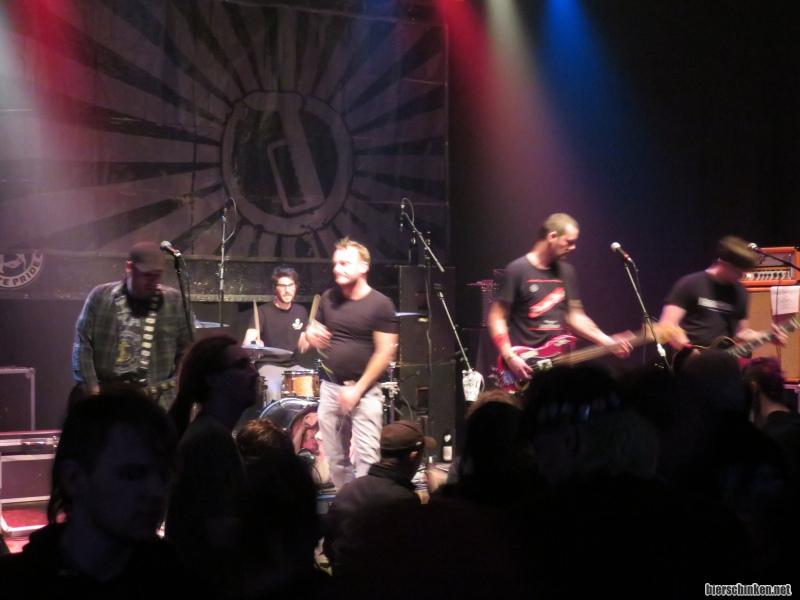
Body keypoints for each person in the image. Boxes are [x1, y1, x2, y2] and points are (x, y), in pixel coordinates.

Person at [0, 386, 195, 598]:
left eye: (164, 475)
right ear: (74, 478)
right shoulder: (17, 583)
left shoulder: (175, 579)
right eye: (132, 474)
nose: (157, 491)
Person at [165, 334, 259, 597]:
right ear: (213, 380)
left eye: (250, 364)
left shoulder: (210, 434)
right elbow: (221, 535)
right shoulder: (211, 441)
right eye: (241, 365)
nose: (253, 373)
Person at [487, 213, 631, 384]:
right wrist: (509, 356)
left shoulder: (567, 272)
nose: (573, 247)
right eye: (569, 242)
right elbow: (497, 317)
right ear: (552, 236)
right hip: (524, 365)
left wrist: (607, 341)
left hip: (557, 367)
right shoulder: (516, 270)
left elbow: (575, 317)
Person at [303, 238, 398, 490]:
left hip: (365, 391)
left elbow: (384, 353)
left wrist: (357, 390)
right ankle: (346, 503)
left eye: (345, 263)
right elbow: (308, 337)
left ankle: (366, 508)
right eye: (336, 264)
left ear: (364, 266)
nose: (337, 268)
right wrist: (309, 335)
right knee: (336, 460)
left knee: (368, 459)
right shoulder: (329, 298)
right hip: (331, 389)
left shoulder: (381, 304)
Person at [71, 241, 192, 408]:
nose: (152, 281)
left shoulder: (174, 301)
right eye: (146, 275)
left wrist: (175, 388)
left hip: (156, 403)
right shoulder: (100, 296)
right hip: (107, 399)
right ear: (129, 268)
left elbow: (187, 352)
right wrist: (93, 390)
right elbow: (82, 345)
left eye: (157, 275)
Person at [323, 420, 430, 573]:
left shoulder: (348, 490)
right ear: (413, 456)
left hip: (344, 582)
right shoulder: (404, 500)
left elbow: (329, 546)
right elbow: (416, 559)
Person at [243, 266, 310, 404]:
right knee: (273, 389)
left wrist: (312, 338)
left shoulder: (301, 311)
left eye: (291, 285)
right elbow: (247, 343)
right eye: (283, 286)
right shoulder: (262, 312)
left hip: (292, 366)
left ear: (296, 287)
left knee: (312, 385)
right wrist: (254, 344)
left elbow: (303, 348)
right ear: (275, 288)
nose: (287, 290)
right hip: (269, 365)